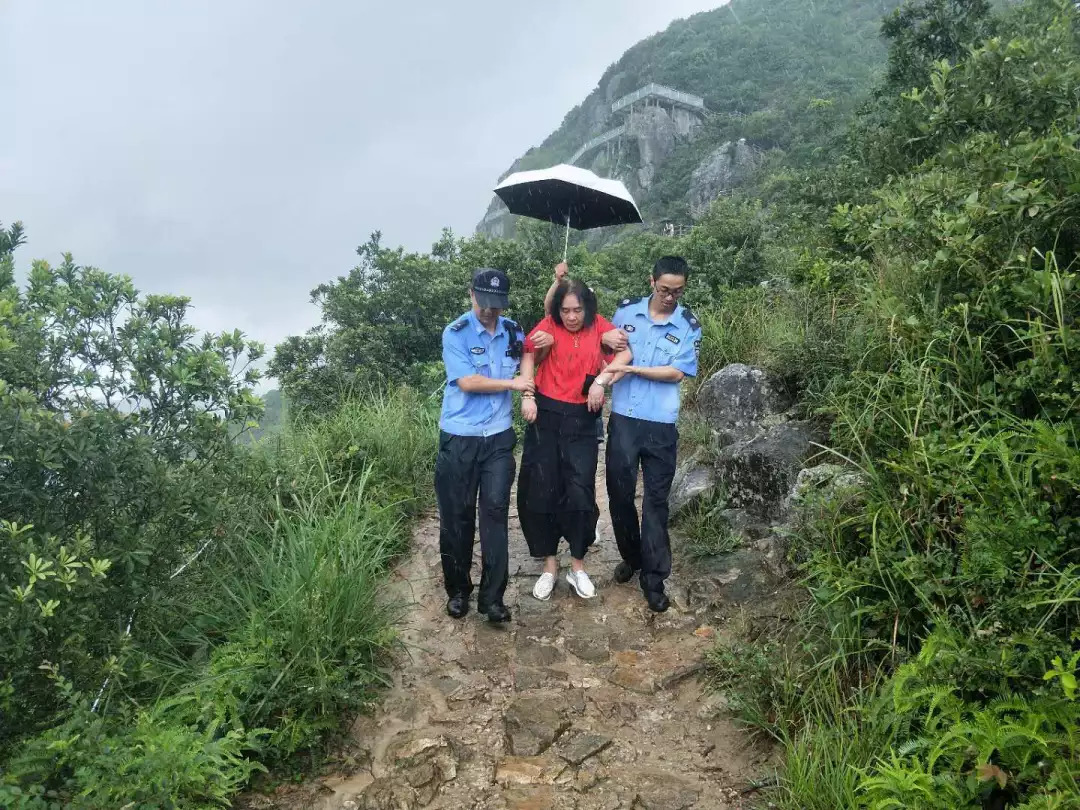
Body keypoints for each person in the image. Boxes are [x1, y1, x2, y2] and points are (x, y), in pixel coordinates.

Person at [592, 256, 701, 613]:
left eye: (678, 291)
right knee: (619, 494)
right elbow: (606, 350)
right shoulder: (625, 314)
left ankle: (654, 579)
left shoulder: (687, 325)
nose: (671, 297)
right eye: (665, 289)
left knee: (656, 502)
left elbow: (676, 373)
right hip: (623, 418)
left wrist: (634, 367)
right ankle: (632, 557)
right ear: (651, 280)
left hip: (660, 424)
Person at [436, 268, 533, 623]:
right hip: (459, 437)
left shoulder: (513, 329)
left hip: (498, 439)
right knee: (457, 517)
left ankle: (493, 598)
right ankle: (458, 590)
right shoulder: (456, 333)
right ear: (471, 295)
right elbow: (468, 381)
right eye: (485, 303)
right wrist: (515, 385)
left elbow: (527, 354)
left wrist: (529, 381)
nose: (491, 311)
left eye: (498, 304)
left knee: (494, 515)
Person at [517, 278, 620, 601]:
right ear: (557, 309)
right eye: (565, 310)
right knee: (542, 489)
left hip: (582, 416)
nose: (572, 317)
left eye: (577, 310)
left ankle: (577, 566)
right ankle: (550, 566)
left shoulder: (599, 326)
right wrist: (527, 395)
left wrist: (601, 381)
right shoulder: (548, 325)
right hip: (546, 413)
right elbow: (529, 355)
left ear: (587, 308)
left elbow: (624, 353)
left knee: (580, 490)